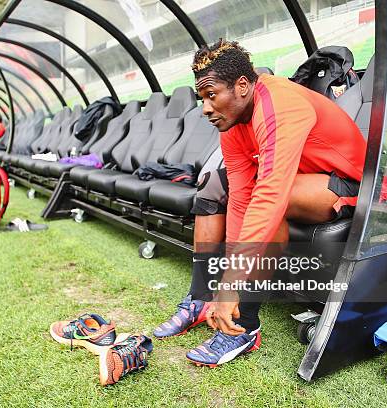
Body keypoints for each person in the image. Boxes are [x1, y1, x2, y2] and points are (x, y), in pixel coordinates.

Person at [154, 39, 367, 367]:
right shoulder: (231, 123)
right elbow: (239, 198)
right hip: (301, 180)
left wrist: (232, 287)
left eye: (212, 95)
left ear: (241, 86)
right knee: (214, 185)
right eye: (201, 99)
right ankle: (201, 295)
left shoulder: (279, 103)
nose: (205, 108)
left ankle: (245, 326)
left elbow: (268, 197)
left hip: (352, 184)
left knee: (269, 199)